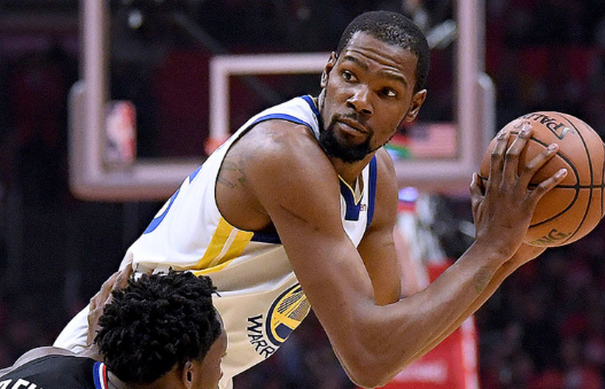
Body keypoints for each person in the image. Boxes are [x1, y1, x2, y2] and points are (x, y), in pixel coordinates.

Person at [54, 10, 567, 388]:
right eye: (350, 77)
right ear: (327, 72)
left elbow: (389, 332)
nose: (360, 100)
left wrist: (510, 251)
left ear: (413, 109)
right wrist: (491, 251)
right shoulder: (284, 157)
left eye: (386, 93)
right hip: (119, 365)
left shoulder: (379, 176)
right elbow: (369, 357)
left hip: (196, 376)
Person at [1, 266, 227, 389]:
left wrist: (94, 350)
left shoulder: (42, 359)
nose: (222, 375)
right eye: (219, 361)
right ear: (188, 374)